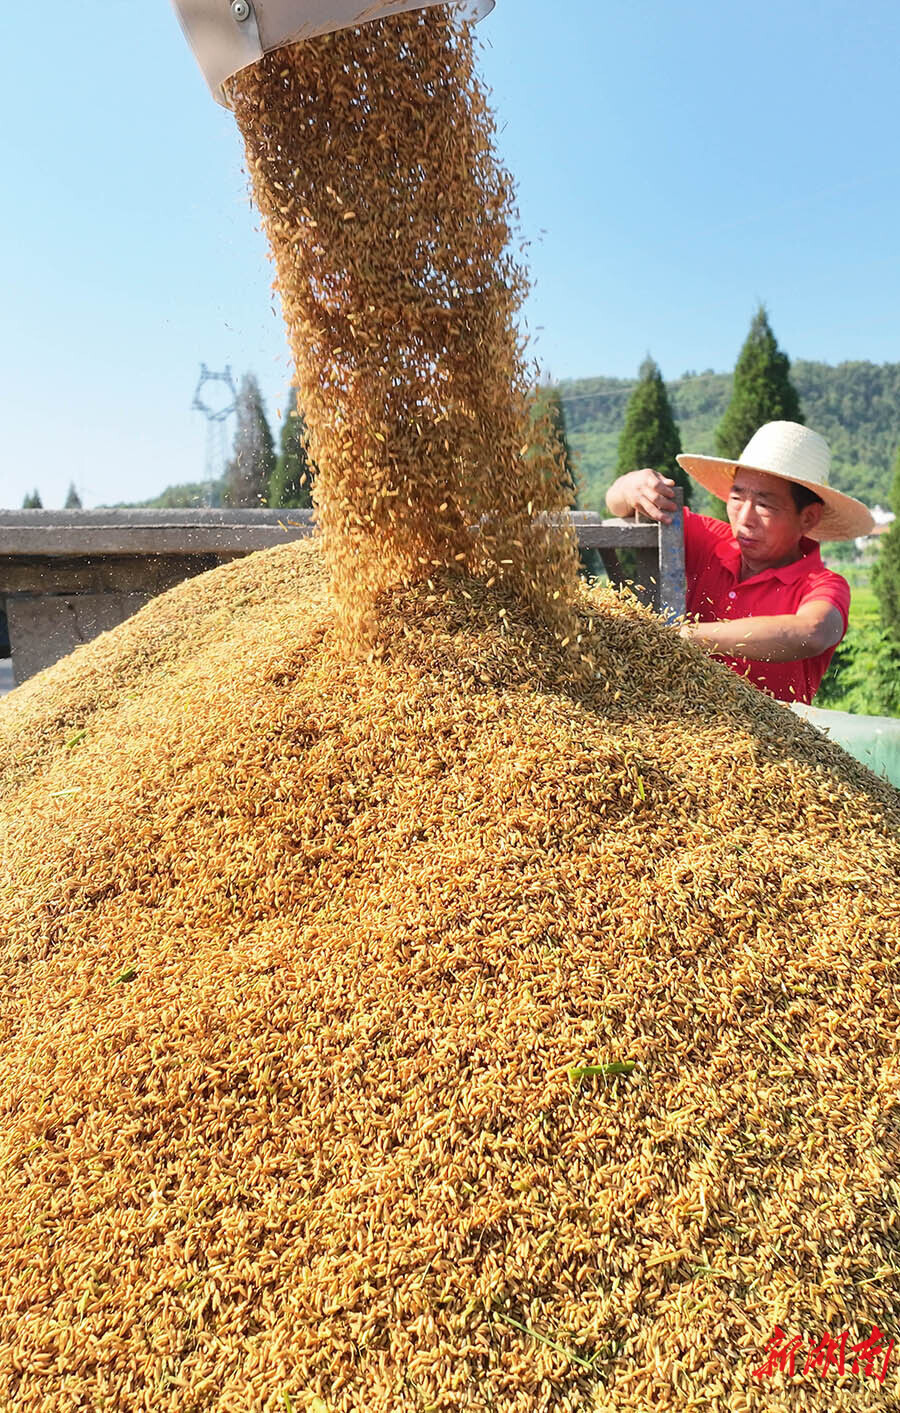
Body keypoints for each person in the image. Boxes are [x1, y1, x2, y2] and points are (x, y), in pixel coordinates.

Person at [605, 421, 875, 704]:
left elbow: (813, 631)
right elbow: (617, 502)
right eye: (737, 497)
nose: (744, 518)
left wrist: (686, 635)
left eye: (765, 505)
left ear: (808, 517)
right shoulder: (712, 542)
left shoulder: (823, 585)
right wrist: (634, 485)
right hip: (686, 732)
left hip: (775, 741)